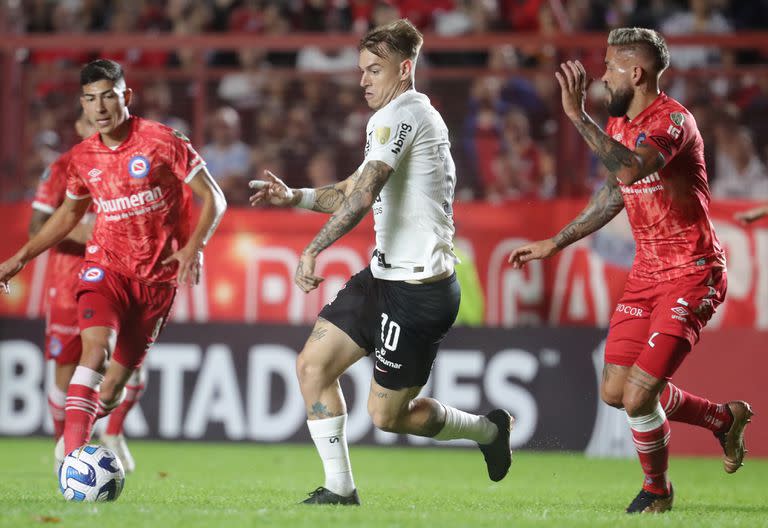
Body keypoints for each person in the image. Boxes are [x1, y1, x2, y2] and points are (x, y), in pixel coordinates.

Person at [249, 19, 513, 506]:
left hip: (420, 291)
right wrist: (296, 197)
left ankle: (488, 431)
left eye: (374, 69)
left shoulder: (402, 115)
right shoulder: (395, 117)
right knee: (312, 366)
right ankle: (340, 489)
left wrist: (312, 248)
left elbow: (364, 193)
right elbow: (353, 188)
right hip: (383, 277)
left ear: (405, 68)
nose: (364, 80)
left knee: (389, 416)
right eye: (361, 70)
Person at [508, 28, 753, 514]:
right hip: (646, 274)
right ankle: (723, 419)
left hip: (693, 271)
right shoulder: (619, 125)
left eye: (609, 67)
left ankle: (657, 492)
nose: (601, 76)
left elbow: (630, 170)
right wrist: (556, 242)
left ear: (635, 72)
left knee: (642, 395)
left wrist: (577, 117)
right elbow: (615, 193)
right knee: (616, 391)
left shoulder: (673, 122)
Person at [0, 59, 227, 466]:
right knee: (95, 352)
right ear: (82, 106)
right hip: (104, 268)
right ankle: (72, 457)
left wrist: (195, 246)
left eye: (108, 96)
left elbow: (215, 197)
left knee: (112, 389)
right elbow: (67, 216)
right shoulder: (81, 157)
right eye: (90, 99)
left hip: (157, 281)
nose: (100, 107)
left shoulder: (163, 141)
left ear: (127, 97)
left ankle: (83, 433)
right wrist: (20, 257)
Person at [30, 111, 145, 473]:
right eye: (88, 120)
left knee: (130, 369)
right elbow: (37, 225)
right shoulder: (64, 166)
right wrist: (96, 234)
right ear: (78, 127)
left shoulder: (129, 165)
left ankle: (111, 432)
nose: (98, 124)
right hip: (69, 283)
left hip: (117, 278)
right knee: (65, 376)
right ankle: (63, 451)